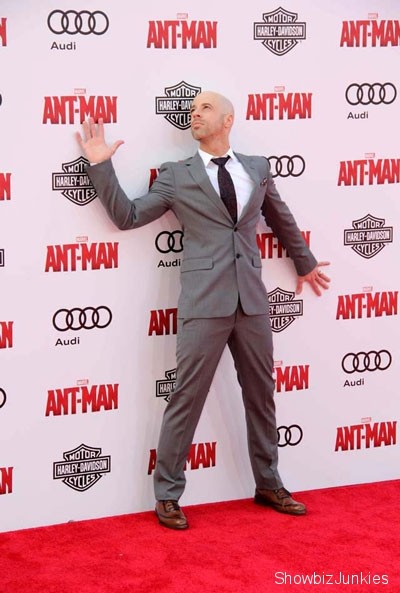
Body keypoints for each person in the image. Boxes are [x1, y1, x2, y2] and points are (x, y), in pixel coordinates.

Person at [77, 91, 330, 530]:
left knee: (261, 396)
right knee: (186, 397)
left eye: (205, 108)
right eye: (192, 110)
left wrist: (304, 262)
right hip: (203, 302)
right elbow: (128, 216)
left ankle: (269, 483)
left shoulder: (257, 168)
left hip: (252, 302)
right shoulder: (177, 175)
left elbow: (279, 217)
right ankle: (167, 494)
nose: (195, 114)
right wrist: (101, 164)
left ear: (228, 120)